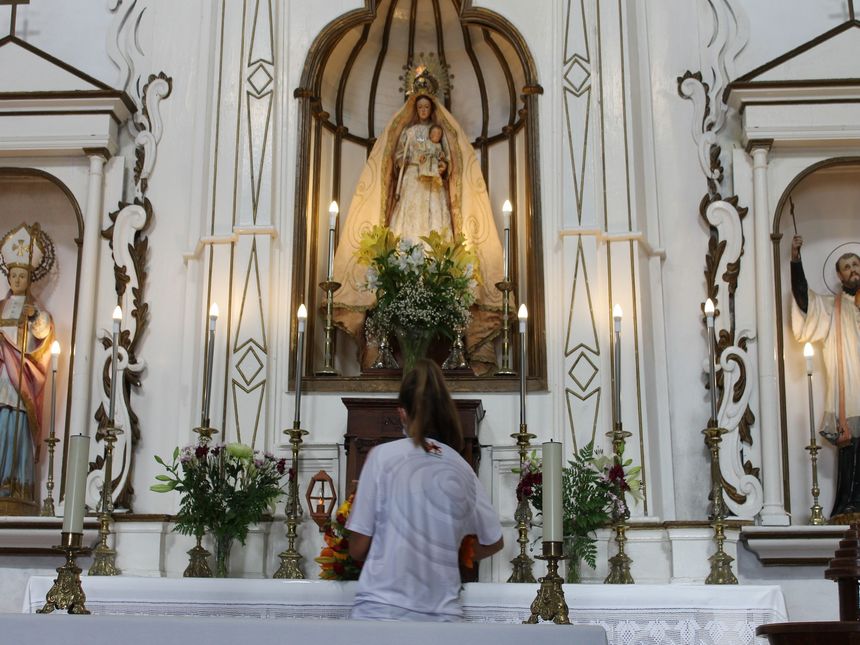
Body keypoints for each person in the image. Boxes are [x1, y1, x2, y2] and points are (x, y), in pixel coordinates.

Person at [331, 85, 506, 374]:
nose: (423, 111)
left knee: (435, 224)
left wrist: (439, 166)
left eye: (427, 108)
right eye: (420, 107)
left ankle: (433, 271)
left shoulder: (439, 133)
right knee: (406, 227)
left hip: (433, 190)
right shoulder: (408, 132)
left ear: (432, 109)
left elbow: (449, 163)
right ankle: (404, 270)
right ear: (415, 107)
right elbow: (397, 158)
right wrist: (408, 161)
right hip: (412, 182)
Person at [346, 359, 503, 621]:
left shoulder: (382, 457)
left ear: (402, 413)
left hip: (382, 614)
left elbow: (357, 549)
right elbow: (494, 541)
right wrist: (448, 549)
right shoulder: (462, 468)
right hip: (441, 618)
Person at [790, 235, 860, 519]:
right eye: (847, 266)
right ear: (838, 274)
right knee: (852, 445)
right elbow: (804, 299)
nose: (853, 269)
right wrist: (796, 260)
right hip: (851, 386)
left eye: (856, 264)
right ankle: (849, 504)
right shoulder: (832, 308)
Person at [0, 223, 54, 514]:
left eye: (23, 275)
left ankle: (16, 485)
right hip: (0, 378)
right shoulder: (0, 308)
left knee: (15, 429)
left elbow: (43, 335)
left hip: (19, 382)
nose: (18, 279)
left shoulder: (35, 311)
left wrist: (38, 320)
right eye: (14, 275)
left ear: (30, 279)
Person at [415, 124, 446, 189]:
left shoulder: (439, 145)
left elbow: (439, 153)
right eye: (434, 133)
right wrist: (421, 156)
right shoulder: (426, 142)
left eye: (438, 134)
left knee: (435, 170)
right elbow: (421, 149)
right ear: (430, 134)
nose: (436, 135)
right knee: (425, 168)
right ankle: (423, 176)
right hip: (427, 159)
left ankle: (435, 178)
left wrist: (441, 155)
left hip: (434, 160)